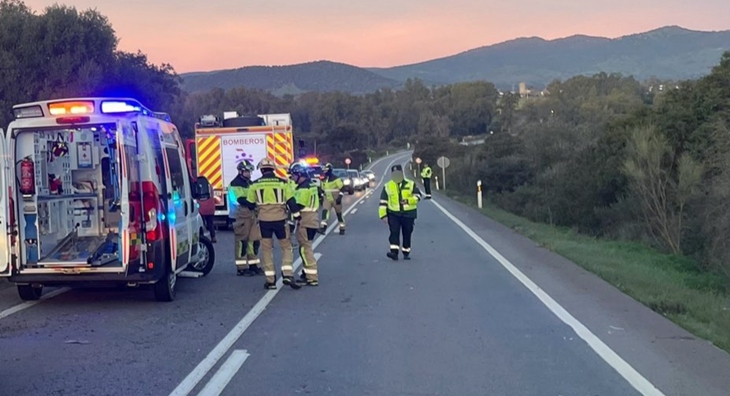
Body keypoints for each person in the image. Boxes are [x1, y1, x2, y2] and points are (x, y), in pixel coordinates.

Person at [247, 157, 301, 290]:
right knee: (286, 247)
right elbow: (291, 202)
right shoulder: (283, 183)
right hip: (280, 220)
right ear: (273, 170)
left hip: (264, 221)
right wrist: (297, 216)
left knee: (266, 250)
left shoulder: (254, 185)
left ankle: (270, 281)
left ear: (261, 170)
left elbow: (249, 204)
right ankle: (288, 274)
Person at [378, 164, 422, 260]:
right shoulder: (387, 186)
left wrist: (408, 201)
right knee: (394, 232)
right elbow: (383, 202)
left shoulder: (410, 184)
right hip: (393, 213)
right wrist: (383, 215)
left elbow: (418, 196)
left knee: (407, 232)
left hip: (408, 213)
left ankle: (406, 251)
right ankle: (394, 252)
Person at [229, 160, 263, 276]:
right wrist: (252, 202)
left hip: (251, 215)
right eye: (247, 171)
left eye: (250, 171)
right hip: (241, 216)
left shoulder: (249, 183)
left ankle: (253, 265)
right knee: (242, 242)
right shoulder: (235, 184)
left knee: (253, 241)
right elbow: (240, 200)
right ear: (240, 172)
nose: (249, 173)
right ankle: (242, 268)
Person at [289, 163, 321, 286]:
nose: (291, 177)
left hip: (306, 221)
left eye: (293, 175)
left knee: (305, 249)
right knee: (306, 247)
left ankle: (312, 276)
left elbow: (299, 205)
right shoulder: (311, 185)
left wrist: (289, 204)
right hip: (312, 220)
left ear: (299, 174)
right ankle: (306, 273)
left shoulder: (303, 189)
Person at [320, 163, 346, 235]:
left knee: (339, 214)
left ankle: (342, 227)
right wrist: (321, 196)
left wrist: (340, 197)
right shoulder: (324, 180)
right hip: (327, 198)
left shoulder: (336, 179)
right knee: (325, 211)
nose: (325, 172)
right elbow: (322, 189)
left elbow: (342, 188)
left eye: (326, 170)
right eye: (324, 170)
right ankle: (323, 227)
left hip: (336, 198)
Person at [197, 177, 216, 243]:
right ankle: (213, 237)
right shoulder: (210, 187)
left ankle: (202, 238)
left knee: (201, 224)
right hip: (210, 208)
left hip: (201, 208)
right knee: (210, 223)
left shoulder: (197, 187)